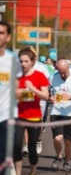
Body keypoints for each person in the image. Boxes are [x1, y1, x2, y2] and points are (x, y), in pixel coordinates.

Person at [15, 46, 49, 175]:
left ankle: (32, 171)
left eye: (26, 61)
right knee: (17, 146)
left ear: (32, 61)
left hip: (34, 116)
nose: (23, 64)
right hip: (19, 115)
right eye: (21, 61)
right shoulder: (17, 76)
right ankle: (18, 172)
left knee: (32, 147)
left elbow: (45, 96)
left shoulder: (39, 76)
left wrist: (33, 89)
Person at [49, 59, 71, 171]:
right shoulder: (52, 77)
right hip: (56, 112)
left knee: (68, 141)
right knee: (58, 138)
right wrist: (49, 98)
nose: (62, 74)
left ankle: (67, 161)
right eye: (60, 72)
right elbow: (46, 91)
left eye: (64, 72)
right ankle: (59, 156)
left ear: (69, 68)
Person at [0, 21, 22, 175]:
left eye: (1, 33)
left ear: (7, 37)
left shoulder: (13, 60)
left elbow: (18, 87)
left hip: (6, 116)